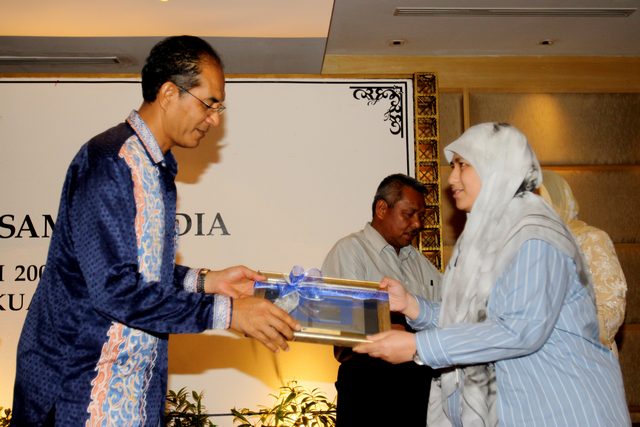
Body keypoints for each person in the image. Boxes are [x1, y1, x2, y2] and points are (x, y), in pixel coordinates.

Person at [11, 35, 300, 426]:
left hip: (131, 390)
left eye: (219, 108)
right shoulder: (110, 162)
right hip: (77, 389)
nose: (215, 119)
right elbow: (115, 289)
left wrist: (206, 282)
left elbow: (136, 271)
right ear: (168, 93)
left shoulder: (156, 169)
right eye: (209, 103)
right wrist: (227, 313)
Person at [354, 123, 630, 426]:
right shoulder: (494, 235)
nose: (452, 179)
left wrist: (418, 347)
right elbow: (476, 319)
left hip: (564, 409)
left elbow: (519, 331)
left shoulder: (534, 235)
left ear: (496, 167)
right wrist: (412, 306)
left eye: (462, 165)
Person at [322, 173, 442, 427]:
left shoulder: (418, 261)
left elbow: (446, 312)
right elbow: (346, 326)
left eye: (421, 216)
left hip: (420, 387)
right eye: (409, 214)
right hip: (371, 387)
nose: (418, 224)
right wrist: (405, 325)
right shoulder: (351, 250)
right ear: (381, 209)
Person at [539, 169, 627, 355]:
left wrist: (567, 341)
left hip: (583, 355)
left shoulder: (591, 240)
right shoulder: (529, 246)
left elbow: (611, 305)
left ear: (558, 201)